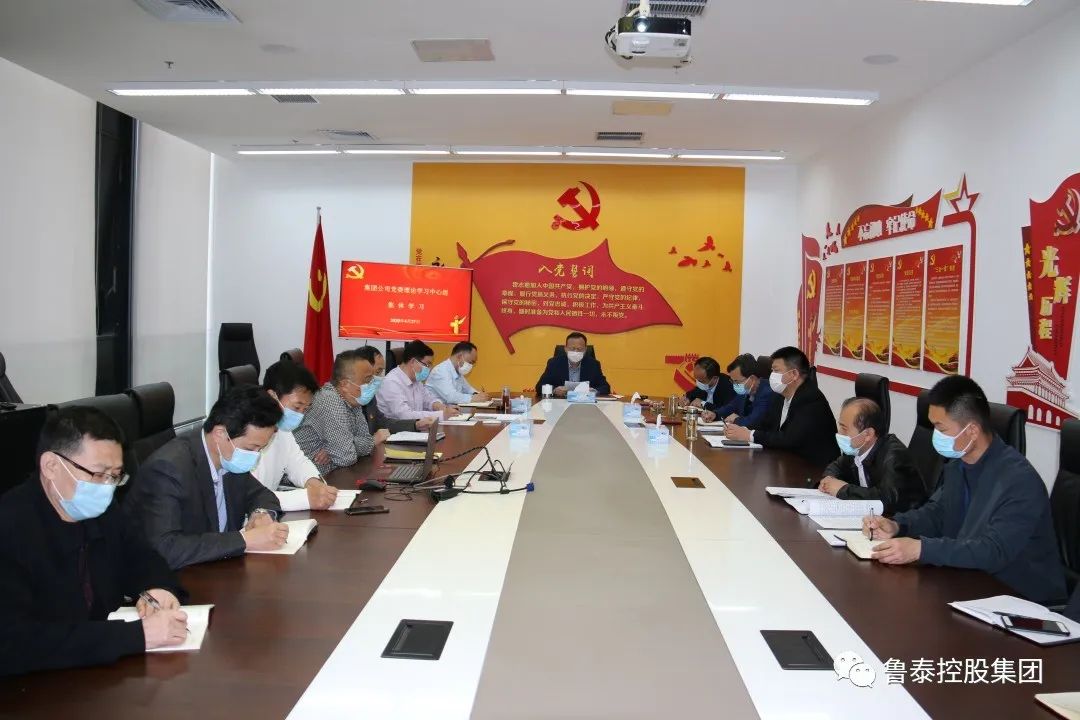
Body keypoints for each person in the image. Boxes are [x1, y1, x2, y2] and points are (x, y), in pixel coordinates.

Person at [0, 407, 189, 675]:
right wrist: (136, 636)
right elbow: (14, 643)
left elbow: (141, 557)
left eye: (115, 475)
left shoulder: (102, 510)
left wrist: (158, 588)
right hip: (38, 686)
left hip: (101, 674)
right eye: (99, 474)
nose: (107, 487)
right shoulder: (10, 528)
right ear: (51, 466)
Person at [865, 375, 1066, 604]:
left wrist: (921, 549)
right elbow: (938, 513)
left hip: (1020, 600)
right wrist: (898, 525)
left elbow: (994, 550)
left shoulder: (1019, 481)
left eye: (941, 428)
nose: (935, 436)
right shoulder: (958, 465)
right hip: (969, 584)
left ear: (971, 431)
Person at [127, 387, 290, 569]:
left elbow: (262, 494)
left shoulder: (228, 458)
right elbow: (166, 548)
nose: (255, 456)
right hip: (179, 577)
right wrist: (245, 540)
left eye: (260, 449)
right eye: (251, 448)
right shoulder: (168, 469)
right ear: (220, 434)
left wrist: (261, 513)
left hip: (219, 568)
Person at [724, 346, 836, 467]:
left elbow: (789, 439)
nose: (772, 376)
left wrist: (750, 435)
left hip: (813, 469)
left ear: (794, 374)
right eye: (772, 370)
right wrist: (740, 430)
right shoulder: (780, 396)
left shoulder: (811, 400)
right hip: (785, 462)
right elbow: (765, 424)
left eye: (776, 371)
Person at [252, 360, 338, 511]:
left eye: (305, 409)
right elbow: (250, 496)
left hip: (269, 513)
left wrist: (314, 482)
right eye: (297, 407)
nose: (300, 415)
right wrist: (306, 499)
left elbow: (297, 461)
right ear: (272, 396)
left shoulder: (281, 428)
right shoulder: (249, 433)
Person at [295, 349, 398, 475]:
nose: (371, 384)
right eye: (367, 380)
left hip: (332, 473)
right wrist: (343, 447)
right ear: (345, 384)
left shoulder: (352, 400)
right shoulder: (329, 400)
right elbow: (346, 457)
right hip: (304, 480)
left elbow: (365, 439)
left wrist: (337, 447)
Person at [819, 397, 926, 514]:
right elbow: (836, 466)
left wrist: (843, 490)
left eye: (844, 429)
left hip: (900, 521)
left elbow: (886, 501)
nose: (839, 433)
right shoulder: (856, 449)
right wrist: (829, 479)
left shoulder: (895, 457)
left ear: (868, 434)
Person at [355, 346, 434, 435]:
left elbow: (383, 423)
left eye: (381, 372)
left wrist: (416, 425)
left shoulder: (370, 398)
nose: (379, 377)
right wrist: (373, 441)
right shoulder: (346, 403)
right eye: (378, 371)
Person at [376, 340, 456, 421]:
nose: (430, 369)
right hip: (395, 428)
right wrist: (441, 415)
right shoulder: (391, 382)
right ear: (413, 362)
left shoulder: (417, 381)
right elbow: (405, 415)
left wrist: (440, 407)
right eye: (427, 364)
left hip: (416, 427)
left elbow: (429, 400)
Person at [703, 353, 772, 427]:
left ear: (752, 379)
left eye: (737, 381)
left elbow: (754, 421)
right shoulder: (746, 390)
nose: (735, 385)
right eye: (732, 381)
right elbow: (731, 406)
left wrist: (736, 420)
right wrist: (715, 414)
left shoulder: (767, 392)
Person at [535, 332, 611, 397]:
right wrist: (554, 390)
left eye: (579, 349)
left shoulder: (593, 364)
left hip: (585, 404)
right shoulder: (554, 363)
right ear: (565, 349)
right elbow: (539, 387)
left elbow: (606, 387)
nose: (575, 352)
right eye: (572, 348)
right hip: (560, 404)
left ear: (585, 349)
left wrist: (594, 391)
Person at [426, 341, 489, 406]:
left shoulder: (458, 371)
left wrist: (479, 395)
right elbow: (451, 396)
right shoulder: (440, 371)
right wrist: (473, 398)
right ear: (459, 356)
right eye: (470, 362)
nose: (471, 366)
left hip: (451, 410)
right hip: (437, 411)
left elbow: (469, 389)